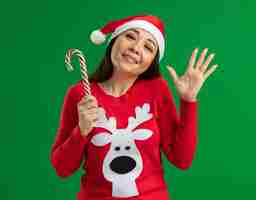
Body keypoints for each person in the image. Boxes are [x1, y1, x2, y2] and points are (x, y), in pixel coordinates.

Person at [50, 15, 218, 200]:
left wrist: (188, 101)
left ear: (151, 61)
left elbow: (182, 160)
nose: (136, 48)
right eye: (130, 36)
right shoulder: (80, 94)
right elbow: (62, 168)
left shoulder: (158, 89)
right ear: (113, 41)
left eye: (148, 47)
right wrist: (81, 130)